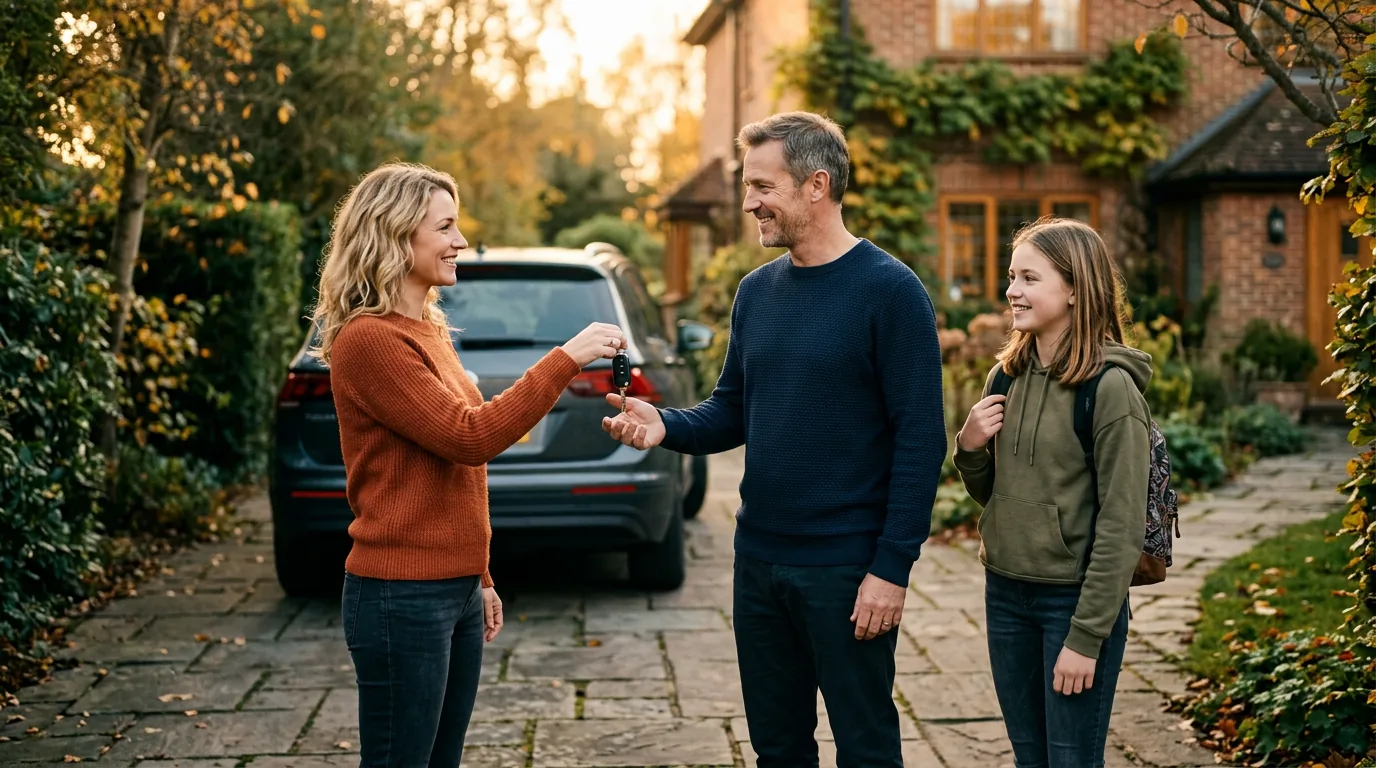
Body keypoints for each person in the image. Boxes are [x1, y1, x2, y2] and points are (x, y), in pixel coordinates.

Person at [601, 111, 946, 767]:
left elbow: (921, 442)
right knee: (778, 748)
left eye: (762, 186)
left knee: (866, 747)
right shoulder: (756, 292)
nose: (748, 203)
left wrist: (890, 570)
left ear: (816, 186)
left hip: (847, 569)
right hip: (759, 563)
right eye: (747, 186)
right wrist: (665, 424)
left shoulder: (891, 292)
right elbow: (732, 409)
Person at [310, 161, 625, 767]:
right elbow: (468, 438)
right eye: (446, 227)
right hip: (400, 594)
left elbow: (454, 475)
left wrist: (476, 577)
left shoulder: (425, 328)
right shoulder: (371, 340)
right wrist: (565, 358)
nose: (459, 242)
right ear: (397, 234)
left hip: (447, 589)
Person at [953, 217, 1151, 767]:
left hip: (1073, 601)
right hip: (1006, 593)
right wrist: (969, 448)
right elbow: (994, 493)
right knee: (1029, 759)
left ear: (1073, 289)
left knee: (1069, 761)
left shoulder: (1109, 390)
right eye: (1012, 276)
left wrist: (1086, 637)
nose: (1012, 290)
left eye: (1029, 278)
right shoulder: (1005, 378)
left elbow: (1121, 525)